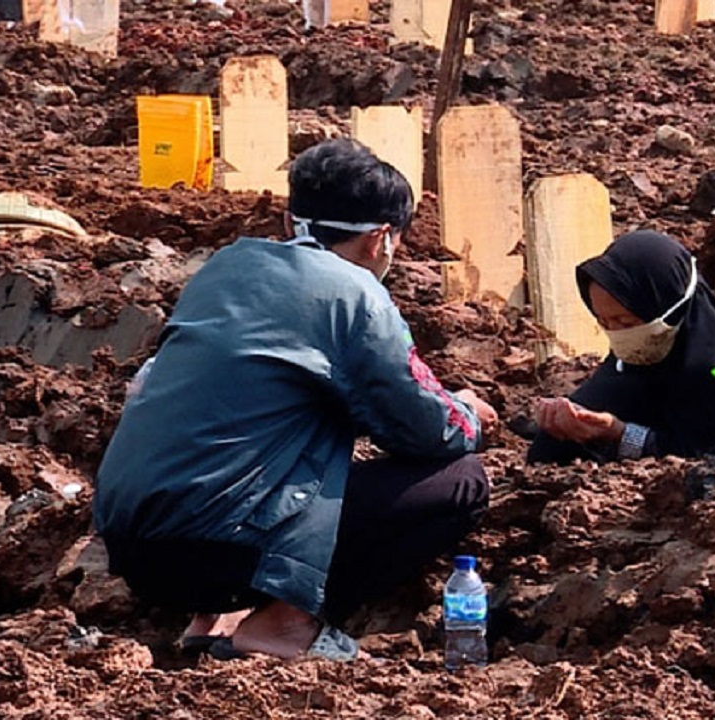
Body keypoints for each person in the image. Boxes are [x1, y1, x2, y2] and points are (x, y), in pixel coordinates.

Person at [94, 140, 498, 661]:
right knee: (461, 482)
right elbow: (422, 426)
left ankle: (211, 618)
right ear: (380, 240)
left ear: (289, 222)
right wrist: (466, 412)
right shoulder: (354, 294)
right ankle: (284, 622)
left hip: (130, 544)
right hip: (219, 549)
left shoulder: (224, 269)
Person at [528, 230, 715, 464]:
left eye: (625, 321)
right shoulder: (643, 353)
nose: (617, 335)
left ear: (668, 305)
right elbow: (588, 421)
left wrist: (621, 435)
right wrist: (565, 421)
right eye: (605, 322)